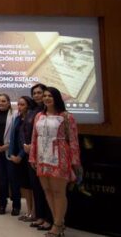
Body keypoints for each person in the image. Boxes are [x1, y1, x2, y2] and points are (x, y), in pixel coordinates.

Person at [30, 87, 81, 237]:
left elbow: (73, 141)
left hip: (60, 158)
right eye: (44, 96)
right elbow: (34, 138)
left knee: (59, 192)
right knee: (47, 191)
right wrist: (32, 157)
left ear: (56, 98)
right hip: (42, 157)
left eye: (50, 96)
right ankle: (58, 221)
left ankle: (58, 225)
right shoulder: (39, 116)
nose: (46, 98)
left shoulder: (66, 117)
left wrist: (75, 162)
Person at [28, 83, 53, 231]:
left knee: (49, 189)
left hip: (49, 155)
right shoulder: (34, 112)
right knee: (37, 187)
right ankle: (41, 216)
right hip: (34, 155)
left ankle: (51, 219)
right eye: (35, 93)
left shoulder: (54, 113)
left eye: (40, 93)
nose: (38, 96)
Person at [0, 93, 20, 215]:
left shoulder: (15, 114)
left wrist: (8, 145)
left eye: (3, 101)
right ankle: (2, 204)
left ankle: (16, 205)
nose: (1, 103)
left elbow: (18, 133)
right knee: (2, 179)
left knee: (13, 179)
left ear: (8, 102)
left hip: (10, 151)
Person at [8, 96, 35, 221]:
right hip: (16, 157)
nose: (19, 107)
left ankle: (34, 212)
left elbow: (27, 142)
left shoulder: (31, 119)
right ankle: (29, 211)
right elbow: (13, 137)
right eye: (18, 104)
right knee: (24, 185)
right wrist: (11, 154)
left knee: (31, 185)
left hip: (27, 156)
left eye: (22, 104)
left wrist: (20, 155)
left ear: (28, 105)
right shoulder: (17, 118)